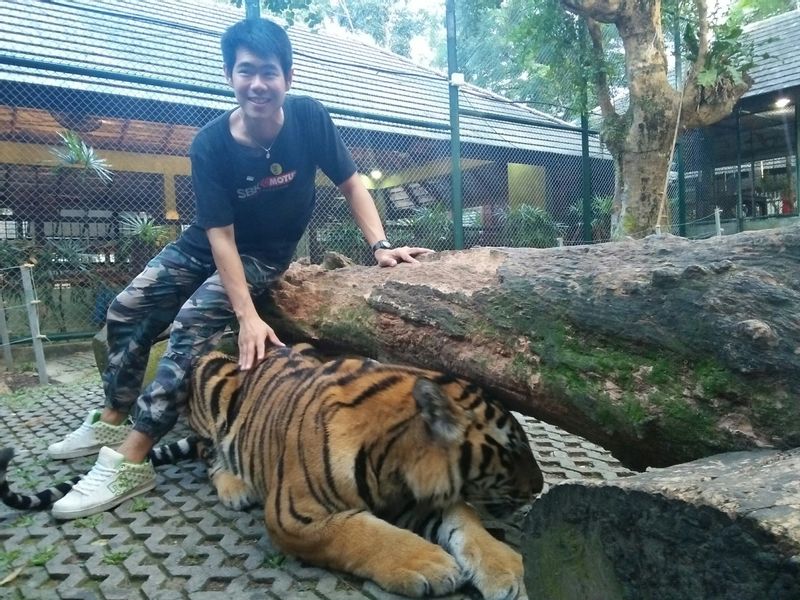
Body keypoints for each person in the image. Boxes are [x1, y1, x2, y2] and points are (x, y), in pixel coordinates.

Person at [49, 18, 431, 520]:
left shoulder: (309, 117)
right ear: (231, 76)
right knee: (127, 306)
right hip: (210, 243)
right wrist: (247, 315)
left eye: (268, 72)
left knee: (191, 323)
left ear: (287, 78)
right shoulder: (209, 144)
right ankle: (113, 415)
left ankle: (133, 456)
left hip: (265, 254)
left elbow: (352, 182)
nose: (258, 83)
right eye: (246, 71)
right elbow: (219, 237)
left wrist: (380, 245)